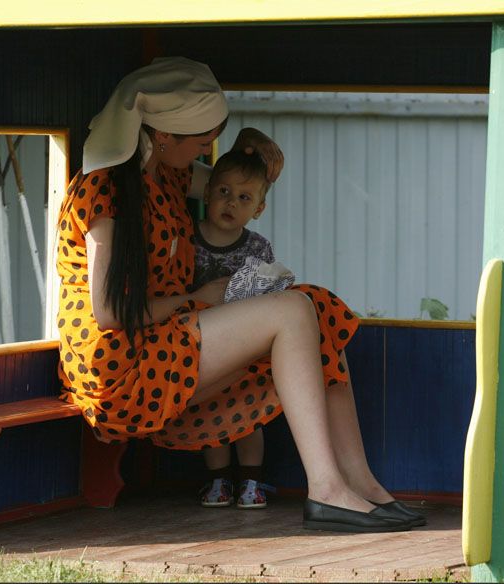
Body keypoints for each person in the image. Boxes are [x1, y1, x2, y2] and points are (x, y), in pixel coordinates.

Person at [55, 56, 425, 532]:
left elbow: (238, 186)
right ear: (164, 136)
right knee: (293, 312)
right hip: (121, 373)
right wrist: (200, 299)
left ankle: (361, 484)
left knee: (319, 310)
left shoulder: (164, 174)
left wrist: (250, 150)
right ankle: (327, 491)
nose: (211, 148)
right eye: (204, 141)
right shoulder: (104, 193)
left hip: (166, 342)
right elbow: (107, 313)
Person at [193, 149, 286, 509]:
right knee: (210, 415)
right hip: (203, 345)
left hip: (246, 346)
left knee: (247, 415)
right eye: (224, 192)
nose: (231, 203)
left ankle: (251, 482)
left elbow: (269, 293)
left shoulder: (257, 248)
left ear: (258, 209)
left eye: (244, 197)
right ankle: (217, 483)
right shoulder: (188, 242)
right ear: (207, 193)